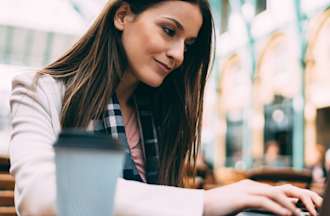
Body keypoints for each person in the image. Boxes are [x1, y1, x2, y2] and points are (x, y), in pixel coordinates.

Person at [9, 0, 322, 216]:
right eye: (169, 31)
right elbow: (41, 197)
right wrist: (204, 202)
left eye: (187, 44)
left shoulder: (165, 110)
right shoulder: (39, 92)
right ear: (122, 16)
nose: (178, 56)